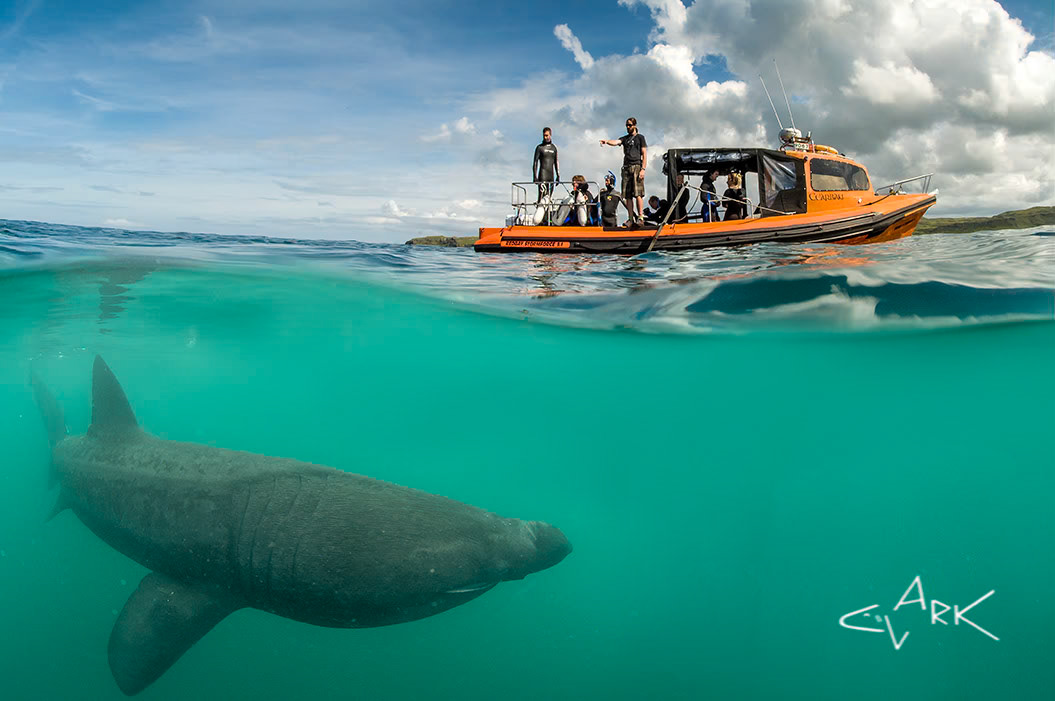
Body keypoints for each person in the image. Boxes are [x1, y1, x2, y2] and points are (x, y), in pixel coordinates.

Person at [599, 117, 647, 226]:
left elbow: (644, 154)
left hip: (637, 166)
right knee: (628, 195)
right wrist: (606, 141)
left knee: (638, 193)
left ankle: (640, 217)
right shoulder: (625, 138)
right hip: (626, 168)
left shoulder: (640, 138)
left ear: (634, 125)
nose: (628, 127)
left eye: (630, 125)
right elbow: (616, 142)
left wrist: (643, 169)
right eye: (627, 125)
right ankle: (630, 219)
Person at [532, 127, 559, 203]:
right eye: (544, 135)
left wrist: (558, 175)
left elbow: (556, 162)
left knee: (549, 197)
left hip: (551, 176)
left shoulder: (554, 148)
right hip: (543, 175)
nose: (545, 137)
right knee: (542, 196)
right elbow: (535, 162)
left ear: (550, 135)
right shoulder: (539, 147)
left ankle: (547, 213)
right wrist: (535, 176)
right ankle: (540, 209)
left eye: (547, 135)